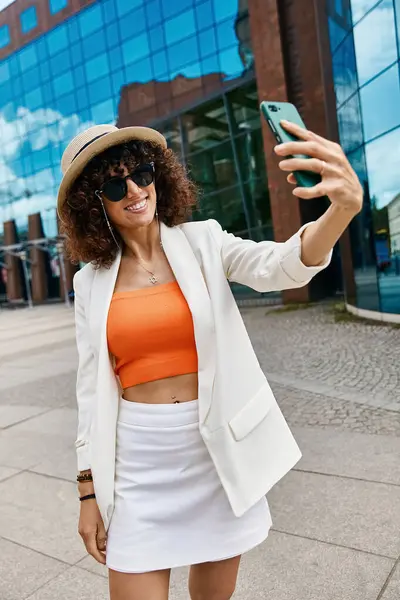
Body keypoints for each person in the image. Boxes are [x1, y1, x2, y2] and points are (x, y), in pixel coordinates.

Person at [58, 122, 363, 600]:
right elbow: (89, 395)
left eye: (141, 173)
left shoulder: (204, 241)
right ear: (92, 202)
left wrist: (341, 210)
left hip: (215, 457)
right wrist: (88, 494)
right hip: (138, 465)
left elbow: (280, 265)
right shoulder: (89, 283)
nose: (135, 191)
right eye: (115, 184)